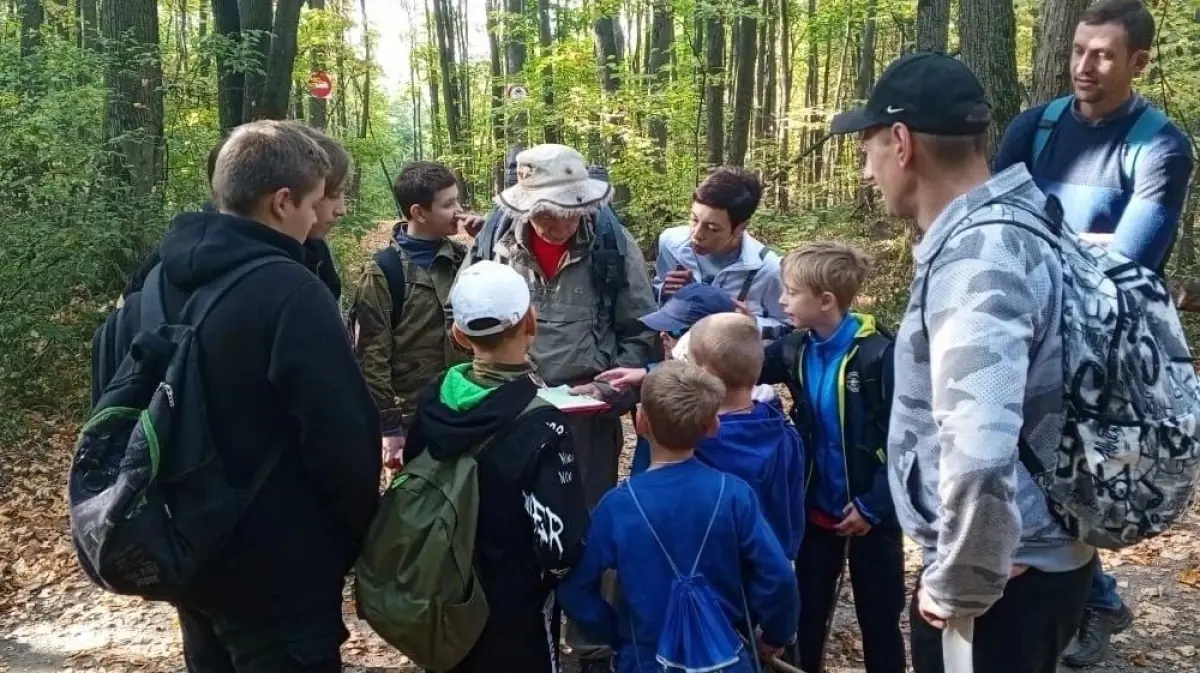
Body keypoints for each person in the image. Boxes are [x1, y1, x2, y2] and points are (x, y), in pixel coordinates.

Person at [829, 52, 1096, 673]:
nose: (867, 170)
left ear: (900, 143)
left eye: (867, 147)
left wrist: (962, 581)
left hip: (1002, 581)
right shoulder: (1028, 219)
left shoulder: (978, 258)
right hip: (1029, 555)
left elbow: (978, 445)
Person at [94, 119, 382, 672]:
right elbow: (342, 435)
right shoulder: (290, 291)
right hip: (280, 568)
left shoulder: (155, 277)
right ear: (282, 202)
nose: (329, 211)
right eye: (320, 199)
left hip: (185, 548)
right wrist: (352, 537)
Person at [460, 142, 657, 673]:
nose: (557, 222)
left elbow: (641, 329)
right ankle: (520, 637)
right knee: (512, 527)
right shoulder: (495, 244)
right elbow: (466, 317)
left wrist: (614, 387)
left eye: (569, 211)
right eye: (545, 211)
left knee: (586, 528)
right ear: (524, 206)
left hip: (586, 417)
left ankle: (588, 647)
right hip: (510, 413)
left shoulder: (613, 247)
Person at [401, 260, 590, 673]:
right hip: (514, 607)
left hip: (447, 593)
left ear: (458, 335)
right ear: (531, 322)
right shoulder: (543, 423)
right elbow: (561, 544)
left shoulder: (434, 399)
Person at [558, 360, 799, 673]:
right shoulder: (735, 496)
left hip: (645, 661)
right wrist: (777, 633)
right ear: (713, 425)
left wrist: (617, 634)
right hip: (726, 657)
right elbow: (778, 575)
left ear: (641, 422)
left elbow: (575, 589)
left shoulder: (617, 506)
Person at [758, 242, 904, 673]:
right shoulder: (796, 348)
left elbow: (908, 441)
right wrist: (656, 373)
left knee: (879, 620)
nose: (782, 300)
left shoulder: (880, 356)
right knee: (806, 615)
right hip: (816, 511)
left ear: (825, 301)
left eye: (790, 292)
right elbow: (736, 366)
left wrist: (873, 506)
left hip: (873, 516)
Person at [993, 0, 1193, 278]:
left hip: (1113, 319)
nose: (1083, 67)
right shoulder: (1032, 127)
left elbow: (1126, 268)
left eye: (1103, 55)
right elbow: (995, 234)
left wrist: (1038, 235)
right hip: (1026, 315)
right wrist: (1096, 242)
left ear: (1139, 62)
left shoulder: (1161, 148)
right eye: (1078, 51)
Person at [122, 123, 353, 302]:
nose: (341, 209)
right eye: (331, 195)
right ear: (284, 198)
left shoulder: (315, 255)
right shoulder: (285, 284)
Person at [349, 161, 481, 466]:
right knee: (418, 507)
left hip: (464, 409)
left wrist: (486, 242)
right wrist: (390, 427)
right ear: (418, 213)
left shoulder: (465, 259)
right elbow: (372, 354)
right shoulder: (384, 271)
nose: (459, 210)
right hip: (412, 419)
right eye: (448, 204)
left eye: (458, 200)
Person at [593, 283, 781, 475]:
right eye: (661, 327)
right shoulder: (776, 426)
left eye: (675, 331)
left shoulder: (690, 419)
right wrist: (647, 372)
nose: (662, 335)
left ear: (709, 343)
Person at [686, 312, 805, 558]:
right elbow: (794, 507)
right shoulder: (785, 430)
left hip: (717, 574)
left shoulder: (698, 443)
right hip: (774, 566)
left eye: (688, 361)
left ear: (703, 372)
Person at [652, 168, 791, 339]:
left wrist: (751, 323)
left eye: (712, 228)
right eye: (694, 219)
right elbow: (656, 293)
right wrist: (664, 292)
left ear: (740, 228)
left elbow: (788, 326)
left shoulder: (768, 269)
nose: (697, 234)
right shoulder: (671, 244)